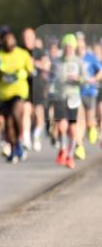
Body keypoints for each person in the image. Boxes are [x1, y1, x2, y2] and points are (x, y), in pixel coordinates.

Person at [0, 28, 34, 163]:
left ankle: (20, 139)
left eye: (10, 42)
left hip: (19, 92)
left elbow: (30, 71)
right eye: (6, 43)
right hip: (4, 93)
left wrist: (21, 73)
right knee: (8, 124)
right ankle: (14, 147)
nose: (8, 45)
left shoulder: (23, 54)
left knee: (17, 115)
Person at [52, 34, 86, 169]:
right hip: (60, 97)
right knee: (61, 126)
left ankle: (70, 156)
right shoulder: (57, 61)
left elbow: (85, 79)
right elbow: (51, 77)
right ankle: (63, 148)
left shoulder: (79, 62)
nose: (68, 49)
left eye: (71, 47)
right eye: (66, 47)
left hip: (73, 98)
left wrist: (78, 78)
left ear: (74, 48)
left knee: (72, 128)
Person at [74, 32, 100, 159]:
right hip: (76, 93)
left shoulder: (91, 57)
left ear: (84, 44)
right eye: (76, 43)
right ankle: (79, 147)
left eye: (81, 43)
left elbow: (100, 71)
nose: (79, 46)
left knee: (89, 121)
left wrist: (94, 79)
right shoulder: (71, 58)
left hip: (89, 92)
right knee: (79, 120)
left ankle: (92, 127)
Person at [23, 27, 49, 152]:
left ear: (34, 38)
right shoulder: (20, 51)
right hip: (25, 87)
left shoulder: (40, 51)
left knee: (39, 116)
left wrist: (34, 63)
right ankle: (26, 139)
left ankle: (36, 136)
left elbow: (46, 65)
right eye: (25, 37)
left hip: (38, 86)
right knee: (26, 111)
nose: (27, 40)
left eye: (29, 37)